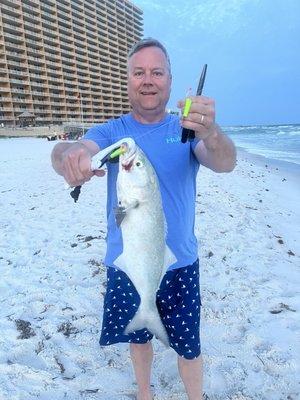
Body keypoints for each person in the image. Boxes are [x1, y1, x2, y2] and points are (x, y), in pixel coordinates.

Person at [51, 38, 236, 400]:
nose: (147, 80)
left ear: (170, 81)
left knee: (189, 345)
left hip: (179, 262)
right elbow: (72, 152)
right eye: (139, 72)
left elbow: (225, 162)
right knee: (138, 340)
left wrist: (210, 131)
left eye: (157, 72)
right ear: (128, 80)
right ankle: (144, 393)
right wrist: (68, 157)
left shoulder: (185, 131)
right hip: (127, 262)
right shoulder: (111, 133)